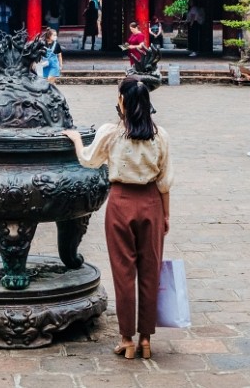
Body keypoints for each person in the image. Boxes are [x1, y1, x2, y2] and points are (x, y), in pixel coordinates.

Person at [63, 77, 172, 361]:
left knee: (124, 273)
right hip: (151, 203)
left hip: (121, 203)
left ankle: (126, 339)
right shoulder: (160, 135)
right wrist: (166, 214)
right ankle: (146, 339)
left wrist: (76, 139)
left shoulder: (111, 133)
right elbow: (164, 181)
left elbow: (89, 160)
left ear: (122, 101)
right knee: (151, 270)